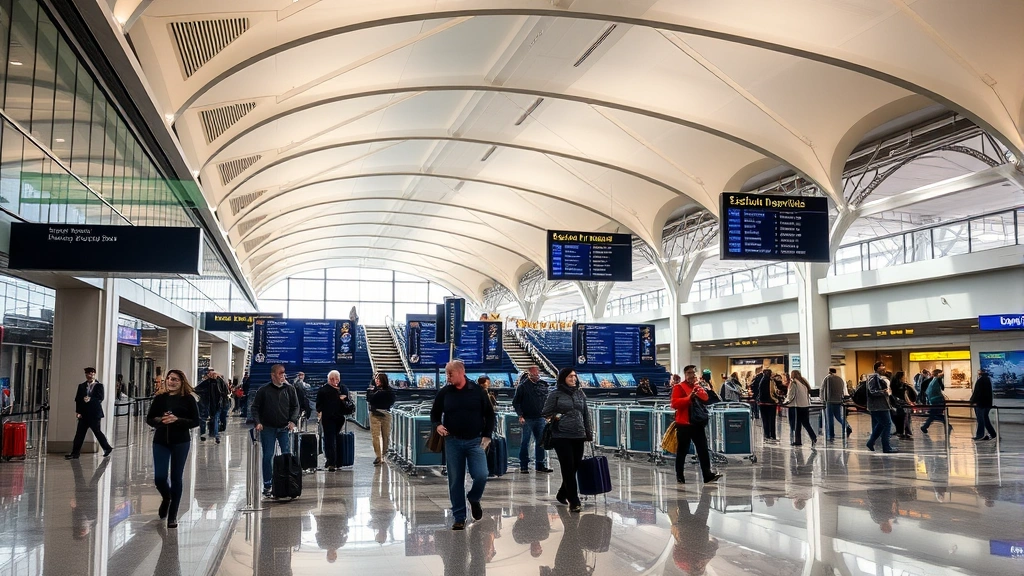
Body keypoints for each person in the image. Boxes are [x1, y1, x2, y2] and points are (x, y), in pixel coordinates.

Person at [430, 359, 495, 530]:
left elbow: (490, 415)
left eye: (450, 373)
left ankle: (474, 498)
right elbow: (434, 413)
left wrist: (487, 436)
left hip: (475, 441)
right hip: (452, 441)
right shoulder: (445, 393)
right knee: (455, 480)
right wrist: (437, 425)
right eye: (446, 373)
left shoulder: (478, 392)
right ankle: (459, 516)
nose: (447, 377)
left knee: (481, 474)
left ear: (460, 372)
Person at [146, 369, 200, 528]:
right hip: (161, 440)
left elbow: (195, 421)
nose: (171, 381)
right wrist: (161, 420)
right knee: (160, 477)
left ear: (182, 381)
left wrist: (177, 420)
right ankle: (166, 497)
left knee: (176, 477)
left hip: (180, 442)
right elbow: (149, 418)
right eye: (169, 379)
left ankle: (173, 514)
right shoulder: (160, 398)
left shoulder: (188, 399)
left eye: (175, 379)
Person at [541, 367, 592, 513]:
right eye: (570, 377)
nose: (573, 379)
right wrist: (559, 416)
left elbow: (585, 414)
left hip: (578, 434)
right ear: (563, 378)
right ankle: (573, 500)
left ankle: (562, 493)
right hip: (561, 435)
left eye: (575, 376)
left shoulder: (580, 393)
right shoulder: (555, 394)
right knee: (567, 467)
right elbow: (545, 412)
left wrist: (588, 433)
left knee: (575, 466)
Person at [252, 364, 300, 496]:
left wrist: (293, 421)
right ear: (273, 375)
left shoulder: (289, 389)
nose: (283, 375)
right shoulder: (263, 390)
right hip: (268, 428)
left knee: (286, 455)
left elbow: (295, 406)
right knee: (268, 456)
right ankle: (267, 484)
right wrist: (258, 422)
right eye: (280, 373)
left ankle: (286, 482)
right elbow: (255, 407)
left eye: (284, 373)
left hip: (284, 428)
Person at [670, 365, 722, 484]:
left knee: (703, 449)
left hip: (697, 424)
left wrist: (698, 391)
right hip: (684, 424)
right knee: (682, 450)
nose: (691, 375)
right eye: (689, 373)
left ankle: (707, 475)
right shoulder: (679, 387)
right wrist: (689, 398)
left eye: (693, 373)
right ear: (685, 374)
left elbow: (706, 398)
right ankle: (680, 475)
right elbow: (674, 403)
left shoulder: (697, 387)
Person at [66, 367, 114, 460]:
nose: (89, 376)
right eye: (88, 374)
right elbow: (78, 399)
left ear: (94, 374)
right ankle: (75, 453)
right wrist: (78, 411)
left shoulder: (99, 385)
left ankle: (107, 448)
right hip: (84, 414)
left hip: (94, 414)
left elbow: (100, 398)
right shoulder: (82, 386)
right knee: (79, 434)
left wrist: (90, 399)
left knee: (97, 432)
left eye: (91, 374)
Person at [512, 365, 551, 474]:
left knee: (541, 442)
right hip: (527, 418)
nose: (536, 375)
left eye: (537, 373)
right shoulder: (522, 387)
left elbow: (546, 400)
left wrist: (547, 415)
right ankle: (524, 465)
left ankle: (540, 464)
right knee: (525, 442)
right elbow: (516, 402)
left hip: (540, 418)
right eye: (534, 374)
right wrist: (520, 415)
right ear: (529, 374)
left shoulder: (543, 385)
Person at [669, 492, 718, 574]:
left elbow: (711, 549)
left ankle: (708, 484)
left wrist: (714, 542)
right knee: (683, 507)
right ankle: (680, 483)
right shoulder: (679, 564)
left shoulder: (700, 562)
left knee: (704, 504)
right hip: (685, 529)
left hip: (700, 528)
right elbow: (676, 547)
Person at [316, 370, 350, 471]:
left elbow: (319, 406)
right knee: (335, 438)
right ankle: (336, 461)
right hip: (338, 418)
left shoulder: (323, 390)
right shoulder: (343, 389)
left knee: (329, 439)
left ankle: (332, 462)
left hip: (329, 418)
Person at [865, 361, 897, 453]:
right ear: (877, 368)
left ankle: (871, 442)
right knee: (887, 424)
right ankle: (886, 447)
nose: (884, 369)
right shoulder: (873, 377)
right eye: (881, 367)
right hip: (878, 406)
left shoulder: (879, 378)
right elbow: (872, 391)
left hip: (882, 405)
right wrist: (884, 392)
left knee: (881, 424)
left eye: (884, 367)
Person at [367, 372, 397, 465]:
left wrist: (378, 395)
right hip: (374, 413)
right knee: (375, 435)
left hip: (385, 413)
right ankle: (378, 457)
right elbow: (370, 399)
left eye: (379, 379)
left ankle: (384, 454)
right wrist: (377, 394)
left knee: (386, 435)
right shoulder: (372, 390)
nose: (377, 381)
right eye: (376, 379)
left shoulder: (389, 391)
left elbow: (390, 401)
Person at [785, 370, 817, 447]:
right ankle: (813, 436)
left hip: (796, 406)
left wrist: (786, 401)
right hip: (804, 406)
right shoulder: (803, 383)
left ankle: (798, 441)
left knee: (796, 424)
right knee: (806, 423)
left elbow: (791, 395)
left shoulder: (794, 383)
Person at [195, 368, 228, 443]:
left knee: (213, 418)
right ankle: (212, 435)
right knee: (213, 419)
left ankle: (213, 435)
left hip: (216, 404)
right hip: (211, 404)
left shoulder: (217, 382)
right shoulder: (211, 382)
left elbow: (225, 392)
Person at [820, 368, 852, 441]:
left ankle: (831, 434)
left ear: (829, 371)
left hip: (829, 401)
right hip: (838, 401)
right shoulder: (840, 379)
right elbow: (843, 390)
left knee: (829, 418)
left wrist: (822, 400)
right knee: (838, 416)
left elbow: (823, 389)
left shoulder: (827, 378)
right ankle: (847, 426)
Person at [921, 368, 952, 434]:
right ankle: (947, 424)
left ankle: (925, 427)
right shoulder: (937, 380)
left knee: (933, 414)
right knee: (934, 414)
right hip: (937, 400)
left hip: (934, 400)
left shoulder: (933, 381)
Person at [970, 368, 997, 441]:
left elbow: (978, 392)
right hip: (987, 403)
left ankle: (980, 435)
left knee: (980, 419)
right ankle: (992, 433)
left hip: (980, 403)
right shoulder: (988, 379)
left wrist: (973, 401)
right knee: (985, 419)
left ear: (981, 372)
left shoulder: (981, 380)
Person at [889, 371, 915, 438]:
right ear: (901, 377)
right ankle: (904, 432)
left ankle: (900, 432)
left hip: (896, 405)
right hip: (902, 404)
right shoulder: (903, 386)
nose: (905, 378)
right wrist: (909, 402)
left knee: (898, 418)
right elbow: (905, 396)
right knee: (904, 418)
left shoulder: (893, 385)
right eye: (904, 376)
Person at [755, 369, 778, 443]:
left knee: (765, 420)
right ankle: (772, 435)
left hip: (764, 403)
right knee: (771, 420)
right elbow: (771, 392)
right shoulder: (770, 381)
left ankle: (767, 434)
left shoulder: (762, 380)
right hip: (770, 403)